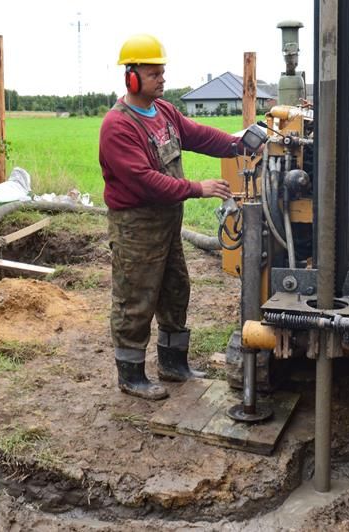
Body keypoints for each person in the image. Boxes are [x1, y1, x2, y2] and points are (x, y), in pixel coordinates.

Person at [99, 34, 242, 400]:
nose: (163, 79)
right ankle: (131, 375)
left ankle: (172, 364)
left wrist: (238, 143)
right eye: (154, 73)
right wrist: (197, 187)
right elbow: (145, 182)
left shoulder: (163, 112)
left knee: (175, 290)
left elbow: (197, 135)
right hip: (136, 226)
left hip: (166, 224)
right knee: (136, 298)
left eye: (163, 72)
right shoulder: (119, 126)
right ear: (131, 77)